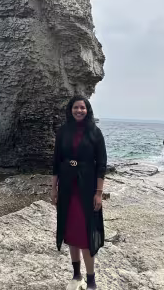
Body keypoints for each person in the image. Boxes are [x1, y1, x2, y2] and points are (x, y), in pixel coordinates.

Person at [52, 95, 107, 290]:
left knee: (86, 233)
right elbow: (56, 162)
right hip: (67, 186)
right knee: (70, 231)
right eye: (76, 107)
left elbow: (101, 165)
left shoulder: (95, 132)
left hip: (87, 187)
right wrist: (54, 188)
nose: (79, 111)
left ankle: (91, 280)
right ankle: (76, 275)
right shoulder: (63, 132)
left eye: (82, 108)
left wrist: (99, 193)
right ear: (70, 109)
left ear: (87, 109)